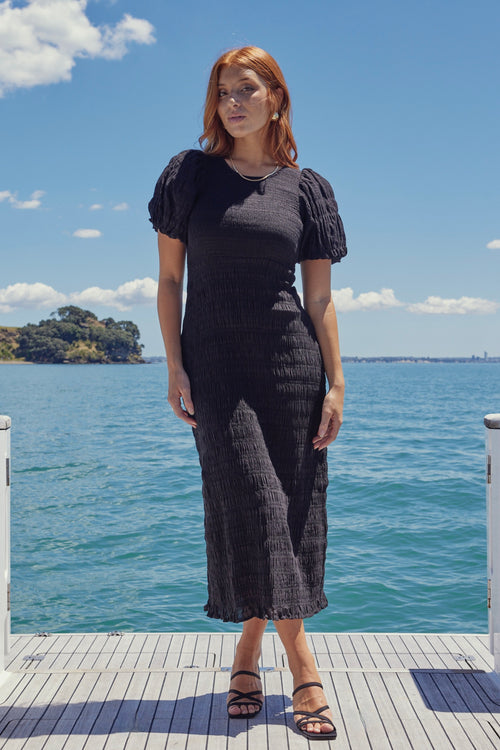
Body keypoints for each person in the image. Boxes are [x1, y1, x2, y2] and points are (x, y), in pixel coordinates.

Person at [149, 45, 347, 741]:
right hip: (216, 366)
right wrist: (175, 367)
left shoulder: (306, 189)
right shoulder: (190, 176)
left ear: (276, 99)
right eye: (222, 92)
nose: (232, 102)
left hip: (291, 367)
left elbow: (318, 298)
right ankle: (300, 659)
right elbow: (171, 282)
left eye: (246, 90)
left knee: (289, 509)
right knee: (253, 501)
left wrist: (337, 383)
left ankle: (246, 652)